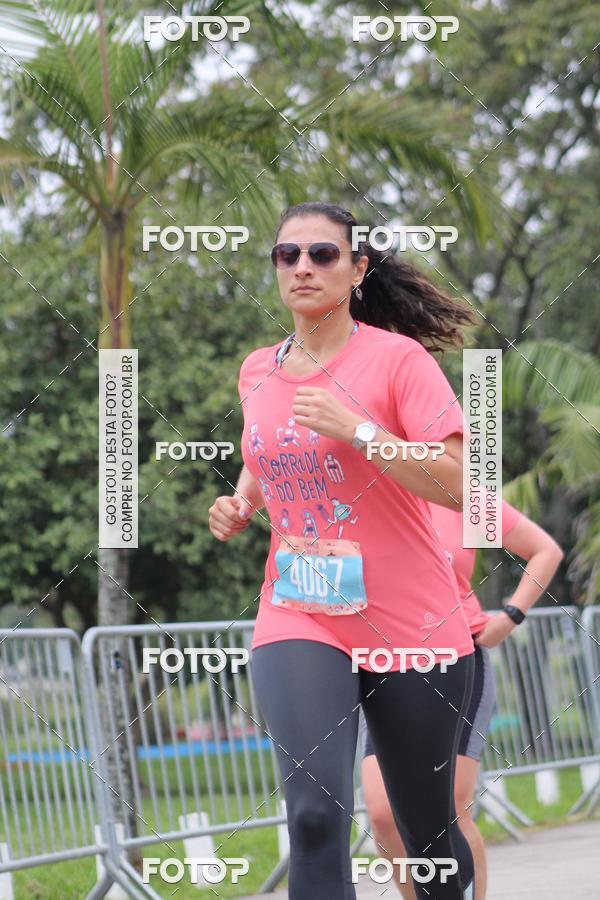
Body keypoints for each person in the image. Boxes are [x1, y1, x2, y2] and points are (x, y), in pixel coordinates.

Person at [209, 201, 478, 899]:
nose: (302, 267)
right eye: (286, 255)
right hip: (300, 611)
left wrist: (360, 431)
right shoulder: (256, 371)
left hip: (411, 622)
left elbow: (458, 488)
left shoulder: (398, 360)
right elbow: (271, 450)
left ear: (357, 270)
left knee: (426, 832)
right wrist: (243, 501)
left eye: (322, 254)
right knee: (314, 816)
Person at [360, 499, 563, 900]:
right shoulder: (367, 483)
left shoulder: (457, 493)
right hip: (386, 661)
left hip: (457, 656)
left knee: (449, 807)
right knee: (383, 815)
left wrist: (511, 617)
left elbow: (545, 551)